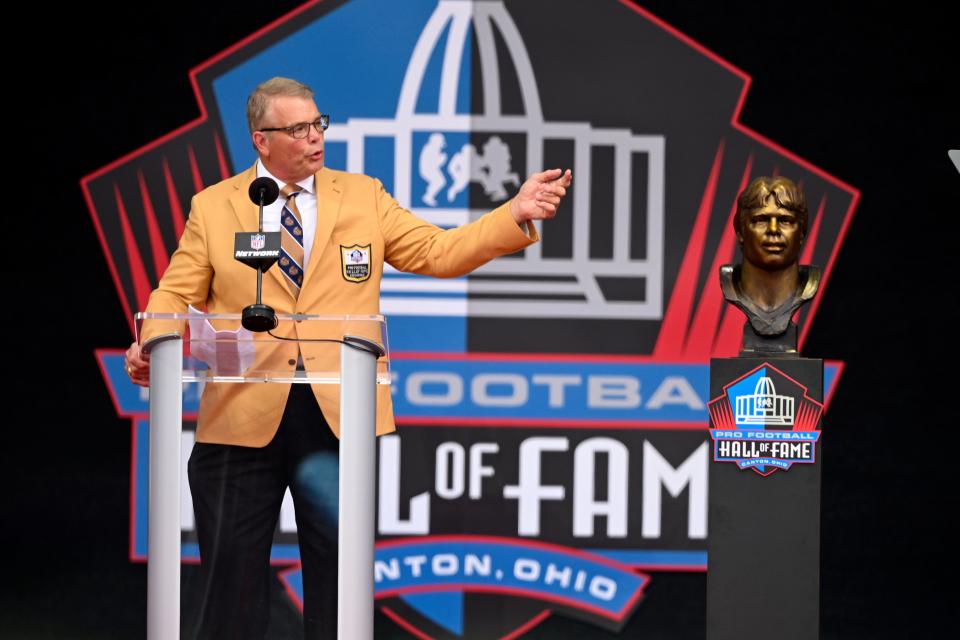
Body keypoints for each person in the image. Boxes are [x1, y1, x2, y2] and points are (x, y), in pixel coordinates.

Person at [124, 77, 571, 638]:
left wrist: (513, 212)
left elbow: (438, 251)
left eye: (319, 124)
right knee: (229, 585)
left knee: (339, 588)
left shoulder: (362, 196)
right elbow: (175, 292)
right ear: (261, 141)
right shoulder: (215, 207)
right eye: (297, 129)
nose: (315, 138)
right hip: (239, 416)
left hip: (336, 416)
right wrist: (153, 342)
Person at [720, 176, 819, 347]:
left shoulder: (809, 285)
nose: (773, 230)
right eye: (761, 220)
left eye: (785, 220)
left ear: (802, 232)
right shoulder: (730, 285)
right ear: (740, 231)